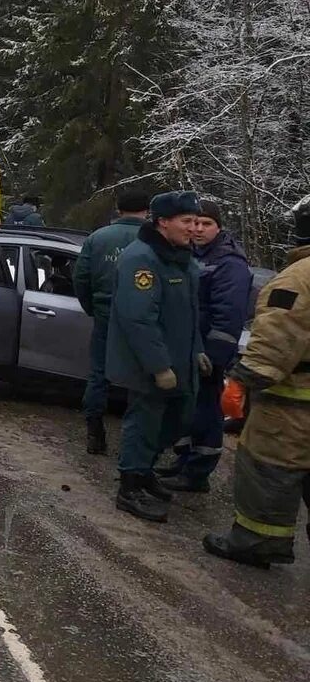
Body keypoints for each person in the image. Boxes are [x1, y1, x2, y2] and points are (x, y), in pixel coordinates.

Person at [204, 195, 310, 567]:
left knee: (268, 469)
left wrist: (242, 380)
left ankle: (255, 542)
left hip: (291, 407)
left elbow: (277, 339)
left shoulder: (299, 278)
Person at [106, 190, 205, 522]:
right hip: (152, 365)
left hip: (181, 360)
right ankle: (129, 486)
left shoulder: (182, 257)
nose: (194, 228)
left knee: (179, 418)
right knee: (145, 422)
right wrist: (159, 366)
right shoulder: (142, 258)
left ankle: (144, 470)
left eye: (196, 221)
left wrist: (199, 351)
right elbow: (138, 319)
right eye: (186, 221)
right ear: (163, 222)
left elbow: (188, 313)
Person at [158, 199, 251, 491]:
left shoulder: (229, 263)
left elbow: (228, 316)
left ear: (218, 227)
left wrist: (214, 356)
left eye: (206, 223)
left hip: (209, 353)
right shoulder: (193, 255)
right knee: (188, 410)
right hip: (189, 349)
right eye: (194, 222)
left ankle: (198, 472)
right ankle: (184, 460)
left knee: (206, 412)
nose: (198, 229)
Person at [74, 190, 151, 454]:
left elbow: (81, 278)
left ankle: (95, 433)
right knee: (141, 378)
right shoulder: (154, 240)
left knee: (98, 375)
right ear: (147, 210)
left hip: (106, 315)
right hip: (143, 319)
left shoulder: (98, 238)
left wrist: (93, 307)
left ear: (118, 209)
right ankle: (135, 441)